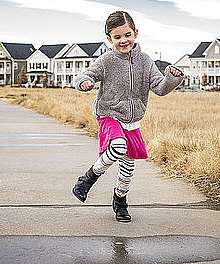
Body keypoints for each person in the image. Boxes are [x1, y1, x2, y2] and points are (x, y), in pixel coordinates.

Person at [72, 11, 184, 222]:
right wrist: (84, 83)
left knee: (128, 165)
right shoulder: (106, 61)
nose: (123, 40)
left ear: (136, 33)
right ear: (109, 39)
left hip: (132, 121)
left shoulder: (145, 61)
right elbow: (86, 75)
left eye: (127, 35)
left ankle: (120, 201)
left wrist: (171, 79)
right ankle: (87, 179)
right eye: (117, 37)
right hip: (109, 114)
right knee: (119, 147)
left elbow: (159, 88)